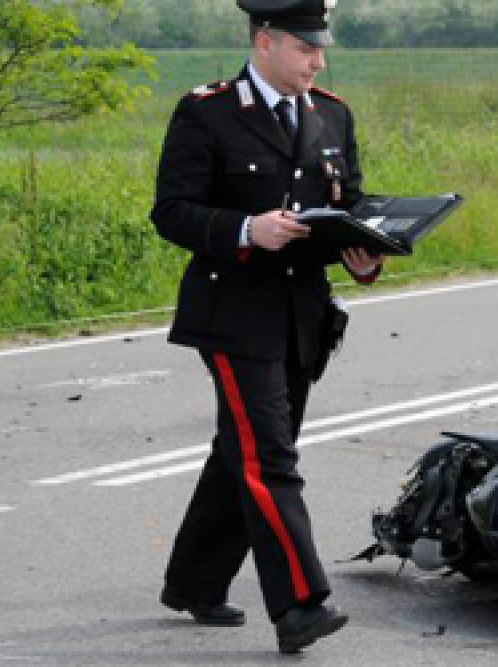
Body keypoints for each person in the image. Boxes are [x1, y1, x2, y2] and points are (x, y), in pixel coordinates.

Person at [150, 0, 382, 654]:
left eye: (321, 48)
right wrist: (248, 229)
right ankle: (300, 603)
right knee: (269, 455)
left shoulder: (332, 114)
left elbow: (350, 205)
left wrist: (364, 254)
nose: (319, 59)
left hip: (301, 317)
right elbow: (171, 210)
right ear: (265, 40)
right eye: (306, 47)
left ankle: (193, 580)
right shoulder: (208, 111)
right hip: (232, 314)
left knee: (242, 451)